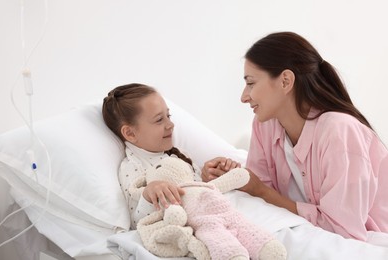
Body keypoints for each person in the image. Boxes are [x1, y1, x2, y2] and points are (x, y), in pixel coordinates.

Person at [202, 31, 388, 242]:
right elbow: (257, 191)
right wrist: (230, 177)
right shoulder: (265, 125)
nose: (244, 97)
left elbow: (342, 229)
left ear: (285, 81)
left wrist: (260, 190)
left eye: (251, 83)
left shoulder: (339, 130)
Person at [102, 83, 240, 229]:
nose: (171, 124)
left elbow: (196, 190)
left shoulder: (178, 155)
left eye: (168, 116)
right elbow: (136, 222)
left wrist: (208, 175)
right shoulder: (132, 167)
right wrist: (149, 195)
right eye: (159, 120)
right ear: (130, 133)